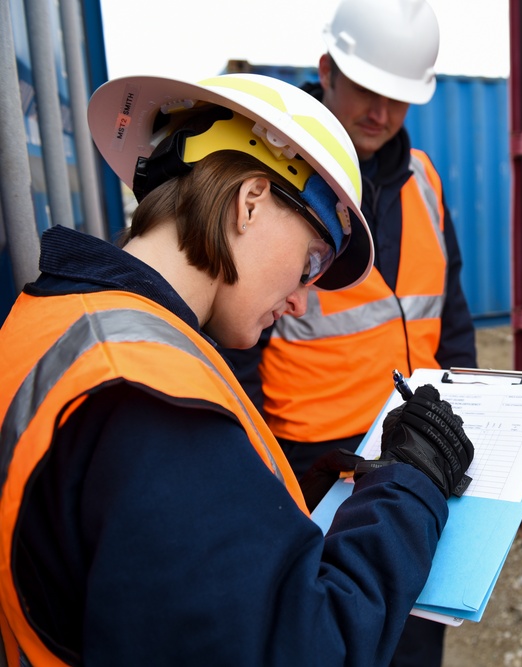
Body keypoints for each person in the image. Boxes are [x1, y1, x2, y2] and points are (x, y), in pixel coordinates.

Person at [0, 72, 473, 666]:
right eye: (311, 261)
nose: (302, 299)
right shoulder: (151, 404)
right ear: (251, 202)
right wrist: (412, 481)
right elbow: (305, 650)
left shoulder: (59, 317)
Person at [225, 2, 477, 664]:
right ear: (327, 69)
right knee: (321, 637)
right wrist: (259, 475)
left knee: (414, 626)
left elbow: (451, 314)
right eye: (369, 87)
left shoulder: (424, 178)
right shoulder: (272, 173)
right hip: (309, 461)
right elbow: (235, 345)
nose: (382, 111)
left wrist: (469, 414)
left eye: (399, 95)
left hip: (414, 448)